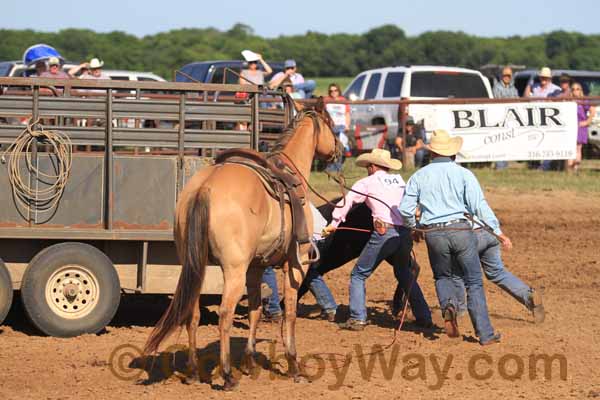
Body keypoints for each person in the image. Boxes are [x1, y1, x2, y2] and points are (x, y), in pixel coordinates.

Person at [399, 129, 500, 345]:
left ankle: (448, 305)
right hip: (461, 230)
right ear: (452, 153)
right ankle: (485, 333)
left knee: (442, 276)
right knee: (473, 281)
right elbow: (478, 205)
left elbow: (405, 209)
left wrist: (414, 227)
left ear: (431, 153)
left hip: (434, 232)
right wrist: (496, 229)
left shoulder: (419, 176)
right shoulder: (463, 174)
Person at [322, 149, 432, 331]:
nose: (367, 169)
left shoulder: (367, 182)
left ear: (372, 166)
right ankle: (424, 315)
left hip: (384, 232)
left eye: (368, 167)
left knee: (358, 274)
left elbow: (347, 202)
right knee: (404, 272)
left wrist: (334, 223)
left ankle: (358, 318)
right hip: (404, 232)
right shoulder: (399, 181)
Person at [450, 226, 545, 324]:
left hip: (466, 236)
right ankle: (527, 295)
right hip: (489, 234)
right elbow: (486, 213)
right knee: (497, 272)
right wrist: (501, 235)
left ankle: (460, 312)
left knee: (455, 273)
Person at [261, 202, 335, 321]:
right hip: (319, 234)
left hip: (307, 236)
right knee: (306, 271)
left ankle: (273, 310)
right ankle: (330, 308)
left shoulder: (276, 200)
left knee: (265, 265)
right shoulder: (294, 194)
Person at [492, 66, 519, 169]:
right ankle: (500, 166)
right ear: (501, 76)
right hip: (499, 119)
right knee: (499, 142)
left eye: (509, 75)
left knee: (508, 142)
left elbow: (517, 101)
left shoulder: (514, 89)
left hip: (512, 120)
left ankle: (505, 165)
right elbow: (497, 101)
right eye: (505, 75)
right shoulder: (497, 88)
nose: (507, 77)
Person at [568, 82, 596, 172]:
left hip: (580, 126)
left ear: (581, 91)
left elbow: (593, 110)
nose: (575, 91)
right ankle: (569, 169)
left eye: (577, 89)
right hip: (570, 126)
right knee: (570, 147)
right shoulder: (568, 101)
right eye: (573, 89)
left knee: (578, 147)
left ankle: (575, 168)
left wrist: (587, 121)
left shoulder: (584, 101)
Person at [324, 83, 351, 172]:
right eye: (331, 91)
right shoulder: (326, 100)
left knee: (340, 142)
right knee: (331, 145)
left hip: (342, 126)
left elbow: (347, 114)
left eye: (335, 90)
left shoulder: (343, 101)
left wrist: (347, 126)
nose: (333, 92)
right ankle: (331, 166)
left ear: (339, 91)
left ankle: (337, 166)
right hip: (330, 126)